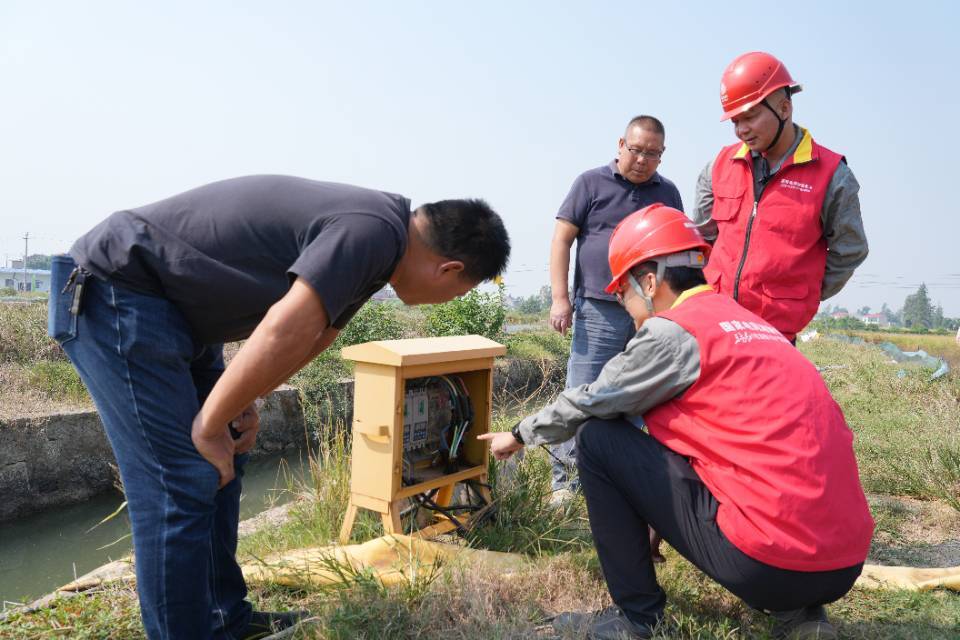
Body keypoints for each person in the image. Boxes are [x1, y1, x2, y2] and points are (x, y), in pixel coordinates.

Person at [48, 175, 510, 640]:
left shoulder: (382, 247)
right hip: (119, 291)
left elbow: (316, 335)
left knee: (223, 458)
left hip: (180, 313)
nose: (452, 299)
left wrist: (245, 400)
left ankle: (226, 620)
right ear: (448, 269)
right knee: (181, 481)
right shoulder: (370, 231)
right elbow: (282, 327)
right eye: (461, 292)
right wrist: (209, 423)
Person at [481, 204, 873, 640]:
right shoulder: (746, 322)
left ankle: (637, 618)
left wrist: (518, 434)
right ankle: (803, 616)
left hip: (768, 562)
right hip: (843, 565)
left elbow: (593, 401)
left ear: (649, 281)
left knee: (597, 437)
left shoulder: (674, 331)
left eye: (622, 293)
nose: (626, 307)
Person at [547, 115, 683, 498]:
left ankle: (618, 482)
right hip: (599, 308)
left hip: (651, 314)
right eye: (636, 150)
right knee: (583, 391)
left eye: (652, 154)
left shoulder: (668, 193)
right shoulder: (590, 183)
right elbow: (561, 240)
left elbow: (677, 250)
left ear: (662, 155)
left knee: (639, 395)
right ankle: (566, 485)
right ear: (621, 144)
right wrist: (561, 298)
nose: (642, 159)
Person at [692, 51, 868, 343]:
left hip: (774, 336)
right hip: (714, 326)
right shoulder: (718, 167)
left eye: (749, 117)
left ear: (784, 108)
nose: (741, 130)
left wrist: (799, 294)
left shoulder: (832, 176)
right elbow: (701, 242)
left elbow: (850, 251)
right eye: (735, 121)